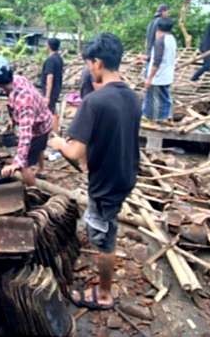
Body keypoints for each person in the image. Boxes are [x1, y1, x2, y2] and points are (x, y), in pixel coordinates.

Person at [49, 33, 141, 310]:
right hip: (125, 173)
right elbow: (114, 135)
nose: (90, 68)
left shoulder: (95, 102)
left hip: (107, 182)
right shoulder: (133, 97)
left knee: (104, 239)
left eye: (90, 63)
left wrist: (57, 142)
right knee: (105, 225)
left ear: (97, 63)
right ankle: (103, 281)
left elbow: (75, 152)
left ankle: (103, 295)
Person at [0, 55, 52, 186]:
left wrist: (18, 162)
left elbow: (26, 135)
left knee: (24, 165)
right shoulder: (18, 79)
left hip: (38, 128)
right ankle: (41, 169)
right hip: (45, 120)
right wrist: (13, 120)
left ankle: (34, 191)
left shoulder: (23, 101)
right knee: (39, 148)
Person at [143, 18, 177, 121]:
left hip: (158, 77)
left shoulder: (160, 41)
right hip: (167, 75)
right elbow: (165, 56)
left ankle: (156, 119)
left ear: (158, 28)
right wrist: (146, 58)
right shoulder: (171, 39)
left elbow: (157, 61)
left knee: (155, 100)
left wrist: (149, 78)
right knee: (165, 98)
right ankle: (166, 116)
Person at [40, 38, 64, 131]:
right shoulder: (59, 58)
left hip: (51, 90)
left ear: (49, 46)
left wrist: (47, 96)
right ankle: (54, 131)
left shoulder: (50, 60)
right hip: (56, 88)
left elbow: (50, 77)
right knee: (53, 110)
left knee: (50, 111)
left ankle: (54, 133)